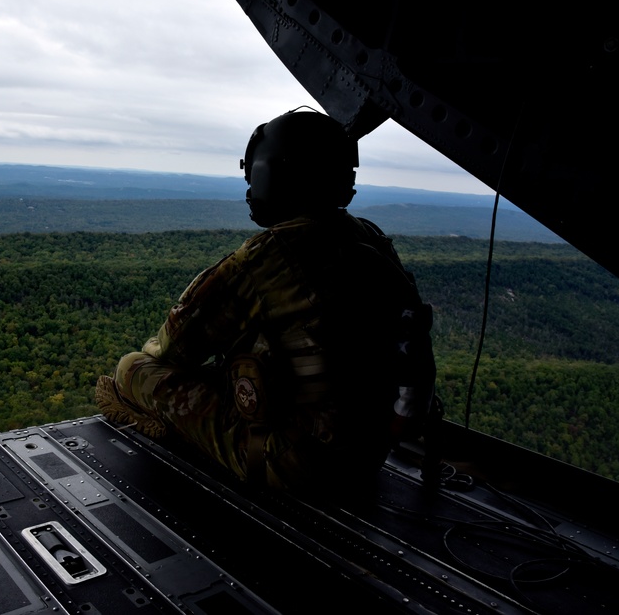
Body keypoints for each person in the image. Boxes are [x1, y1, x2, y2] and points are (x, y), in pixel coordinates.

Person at [96, 109, 435, 491]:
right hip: (366, 459)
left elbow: (175, 347)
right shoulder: (372, 240)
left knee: (133, 369)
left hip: (296, 464)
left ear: (271, 174)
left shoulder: (268, 256)